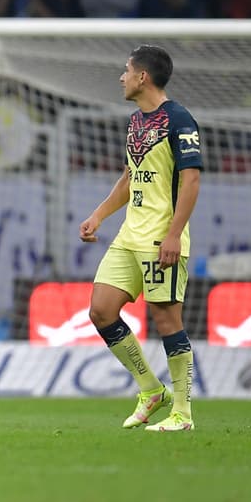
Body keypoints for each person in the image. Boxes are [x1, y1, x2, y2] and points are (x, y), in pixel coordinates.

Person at [79, 45, 202, 432]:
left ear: (143, 77)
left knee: (167, 320)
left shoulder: (179, 120)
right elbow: (131, 176)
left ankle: (182, 413)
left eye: (127, 70)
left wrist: (173, 234)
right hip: (129, 237)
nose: (122, 77)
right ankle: (151, 389)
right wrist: (99, 215)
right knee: (101, 311)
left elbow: (191, 180)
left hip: (160, 239)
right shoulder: (136, 121)